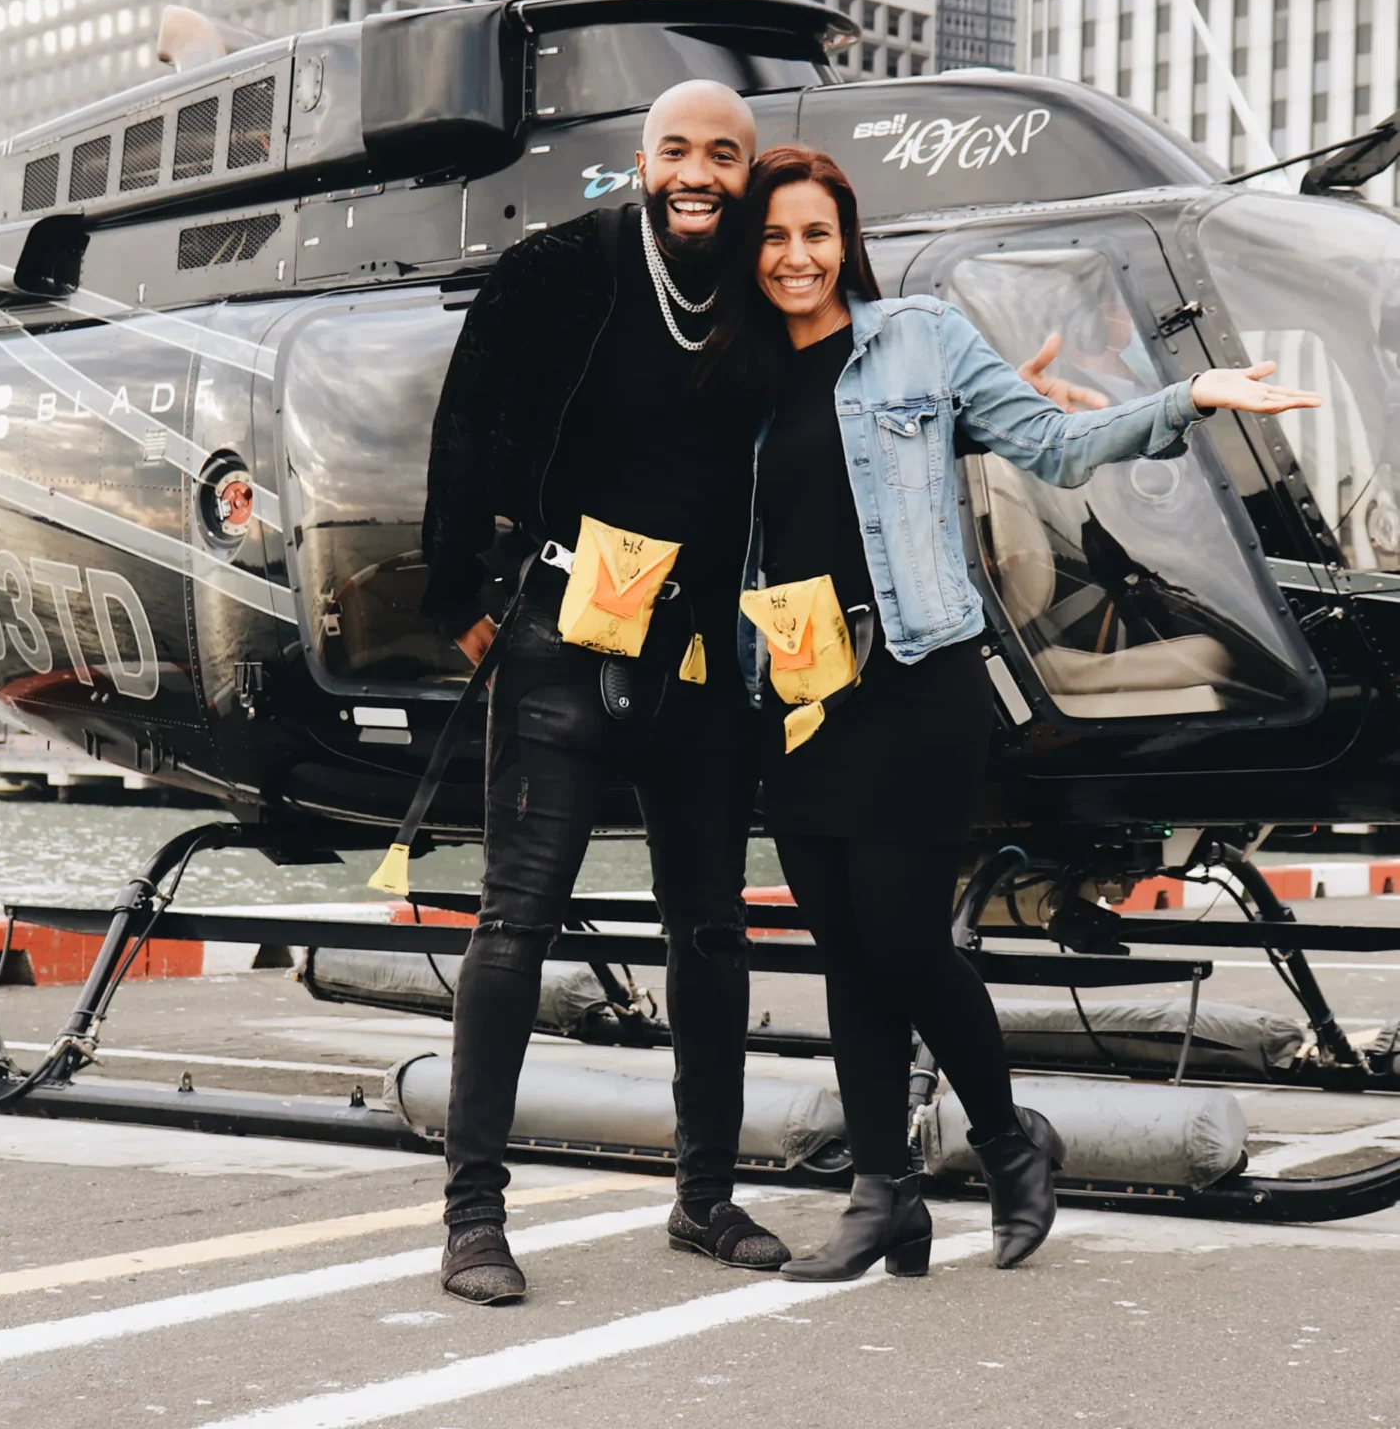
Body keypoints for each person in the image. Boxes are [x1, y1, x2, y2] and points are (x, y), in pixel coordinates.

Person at [421, 82, 1089, 1306]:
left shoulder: (753, 296)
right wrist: (461, 595)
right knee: (513, 923)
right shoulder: (560, 270)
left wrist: (991, 416)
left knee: (710, 932)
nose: (697, 174)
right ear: (640, 160)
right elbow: (467, 427)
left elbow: (858, 409)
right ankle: (471, 1217)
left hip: (713, 664)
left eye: (719, 155)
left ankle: (704, 1196)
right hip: (565, 637)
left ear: (742, 171)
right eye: (674, 150)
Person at [704, 145, 1322, 1285]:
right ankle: (883, 1195)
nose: (796, 257)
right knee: (845, 955)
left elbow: (1049, 442)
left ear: (846, 242)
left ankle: (1003, 1141)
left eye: (816, 234)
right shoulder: (731, 378)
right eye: (774, 238)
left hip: (912, 677)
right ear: (750, 254)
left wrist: (1184, 397)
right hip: (796, 693)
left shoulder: (919, 339)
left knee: (898, 936)